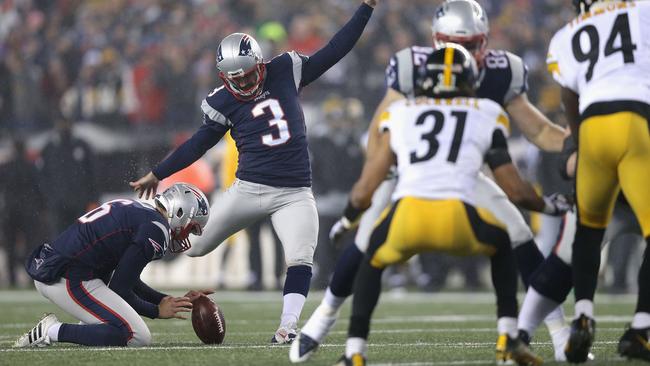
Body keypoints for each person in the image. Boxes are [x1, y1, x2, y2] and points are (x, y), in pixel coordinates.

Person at [294, 0, 571, 362]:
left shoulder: (501, 70)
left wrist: (589, 142)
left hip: (464, 173)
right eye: (455, 43)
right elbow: (380, 130)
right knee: (363, 242)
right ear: (435, 40)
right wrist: (379, 174)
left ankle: (559, 332)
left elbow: (540, 131)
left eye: (472, 44)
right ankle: (323, 317)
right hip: (408, 171)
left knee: (519, 233)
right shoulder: (412, 67)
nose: (464, 53)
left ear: (485, 40)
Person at [128, 0, 378, 344]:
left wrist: (365, 8)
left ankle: (287, 327)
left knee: (300, 257)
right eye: (237, 77)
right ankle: (122, 266)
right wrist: (159, 172)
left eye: (249, 73)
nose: (245, 82)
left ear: (260, 63)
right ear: (223, 77)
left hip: (294, 192)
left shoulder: (286, 68)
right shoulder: (222, 102)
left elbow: (336, 49)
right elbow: (197, 144)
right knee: (193, 246)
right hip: (248, 189)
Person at [545, 1, 650, 361]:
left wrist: (579, 142)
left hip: (592, 128)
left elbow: (567, 97)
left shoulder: (567, 33)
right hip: (634, 119)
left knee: (588, 231)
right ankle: (642, 327)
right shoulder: (641, 10)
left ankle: (584, 315)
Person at [13, 183, 212, 348]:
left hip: (64, 269)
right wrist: (156, 311)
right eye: (191, 228)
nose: (188, 235)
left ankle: (90, 325)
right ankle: (51, 330)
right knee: (136, 335)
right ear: (180, 212)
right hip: (66, 277)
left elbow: (127, 279)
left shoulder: (142, 212)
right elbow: (120, 289)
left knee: (121, 323)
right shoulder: (156, 229)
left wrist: (167, 300)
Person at [0, 137, 46, 287]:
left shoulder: (6, 167)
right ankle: (32, 278)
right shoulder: (31, 167)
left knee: (10, 246)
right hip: (29, 211)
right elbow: (40, 189)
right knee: (31, 246)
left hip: (10, 211)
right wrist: (42, 208)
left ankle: (12, 279)